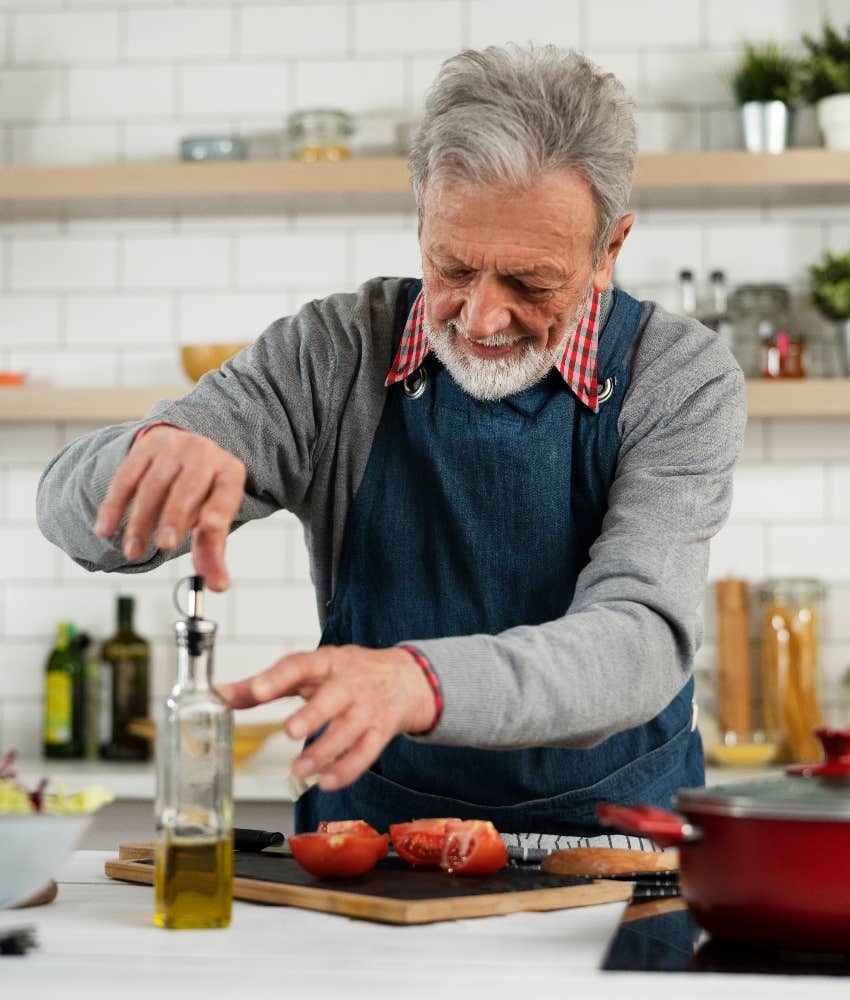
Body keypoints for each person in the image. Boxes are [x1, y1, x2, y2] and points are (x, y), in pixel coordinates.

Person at [37, 45, 745, 845]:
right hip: (371, 852)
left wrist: (420, 681)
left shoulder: (678, 375)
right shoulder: (335, 353)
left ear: (609, 250)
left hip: (612, 853)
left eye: (531, 283)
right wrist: (152, 455)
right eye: (453, 266)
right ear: (420, 212)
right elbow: (70, 523)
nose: (480, 318)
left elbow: (639, 642)